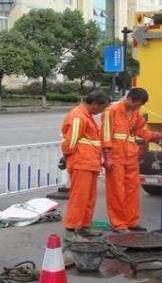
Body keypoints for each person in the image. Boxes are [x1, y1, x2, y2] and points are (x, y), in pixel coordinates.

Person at [102, 88, 162, 233]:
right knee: (116, 191)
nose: (138, 108)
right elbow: (105, 134)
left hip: (130, 156)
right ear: (130, 99)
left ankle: (131, 222)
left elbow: (141, 131)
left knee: (132, 190)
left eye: (140, 106)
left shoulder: (135, 113)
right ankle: (119, 224)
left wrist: (159, 136)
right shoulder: (111, 111)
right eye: (137, 105)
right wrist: (107, 157)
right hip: (116, 156)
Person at [61, 90, 111, 242]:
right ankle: (71, 230)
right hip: (81, 163)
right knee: (79, 198)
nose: (101, 112)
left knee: (89, 198)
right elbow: (70, 143)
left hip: (89, 163)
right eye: (101, 108)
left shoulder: (85, 116)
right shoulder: (78, 116)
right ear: (95, 104)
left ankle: (84, 226)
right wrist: (66, 158)